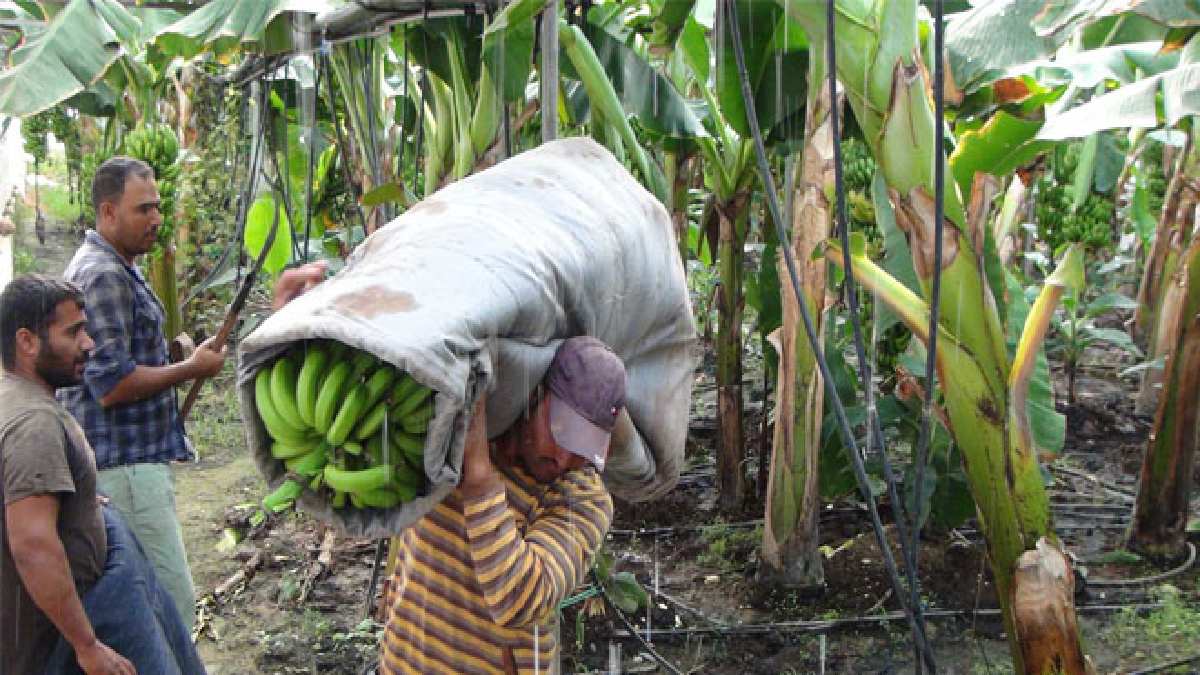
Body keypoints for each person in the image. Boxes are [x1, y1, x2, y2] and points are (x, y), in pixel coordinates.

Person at [272, 266, 623, 674]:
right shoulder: (441, 429)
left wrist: (479, 480)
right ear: (534, 395)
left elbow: (522, 599)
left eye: (584, 448)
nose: (564, 460)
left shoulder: (583, 499)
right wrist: (295, 339)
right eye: (561, 432)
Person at [57, 156, 226, 631]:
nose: (156, 219)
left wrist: (173, 356)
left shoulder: (116, 265)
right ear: (108, 212)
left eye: (157, 208)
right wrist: (189, 368)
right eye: (143, 210)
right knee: (170, 603)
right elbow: (110, 386)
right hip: (124, 468)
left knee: (148, 601)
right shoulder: (104, 274)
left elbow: (114, 357)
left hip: (127, 463)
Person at [0, 275, 132, 675]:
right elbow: (33, 544)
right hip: (44, 646)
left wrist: (78, 502)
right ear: (27, 342)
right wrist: (87, 645)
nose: (88, 344)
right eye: (73, 332)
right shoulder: (33, 423)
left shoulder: (14, 394)